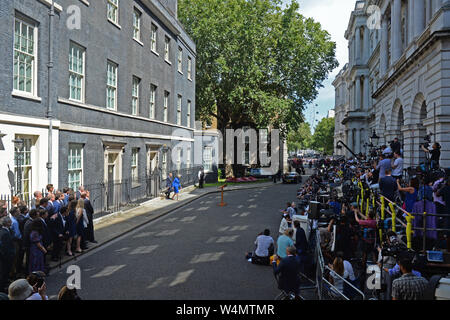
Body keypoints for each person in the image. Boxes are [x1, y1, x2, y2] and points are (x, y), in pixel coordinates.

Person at [0, 216, 16, 293]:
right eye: (10, 222)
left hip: (7, 257)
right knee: (4, 273)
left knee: (5, 273)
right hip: (6, 258)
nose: (11, 223)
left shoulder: (6, 230)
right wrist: (9, 256)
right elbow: (4, 248)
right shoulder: (4, 233)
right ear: (7, 223)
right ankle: (2, 289)